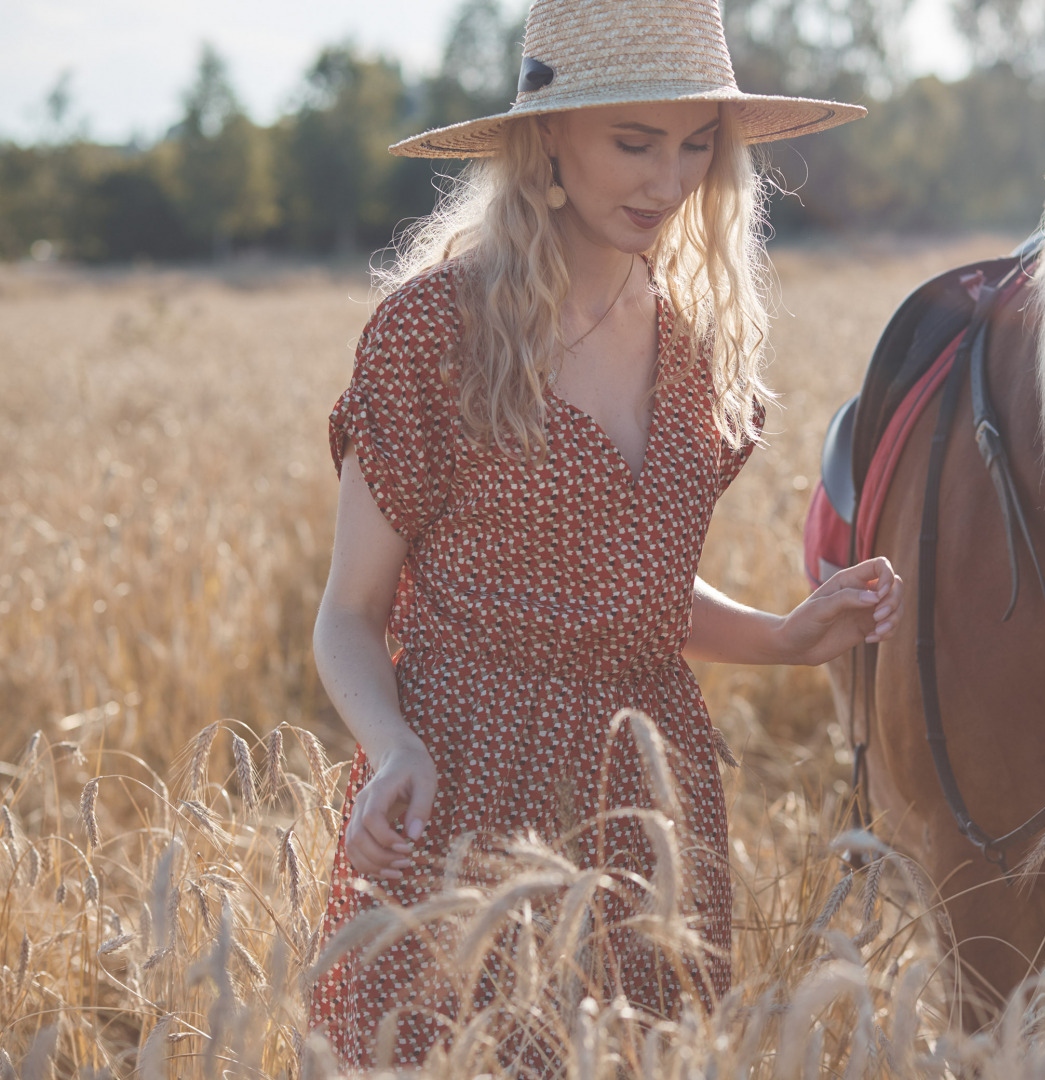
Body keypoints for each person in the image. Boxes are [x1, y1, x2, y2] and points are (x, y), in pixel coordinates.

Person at [306, 0, 899, 1069]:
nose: (667, 183)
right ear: (549, 139)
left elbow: (632, 594)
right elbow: (348, 615)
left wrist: (787, 635)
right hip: (467, 785)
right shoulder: (435, 332)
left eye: (695, 145)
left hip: (649, 794)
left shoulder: (697, 346)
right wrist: (391, 744)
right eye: (634, 142)